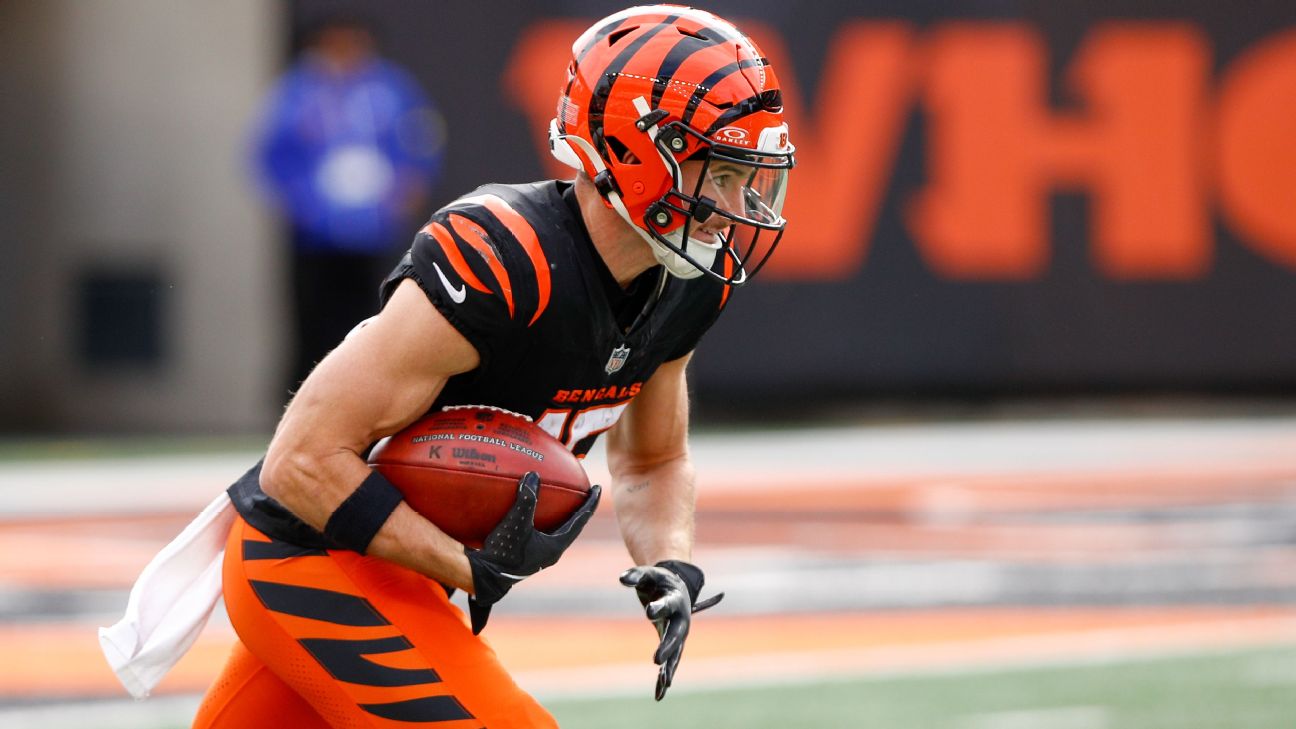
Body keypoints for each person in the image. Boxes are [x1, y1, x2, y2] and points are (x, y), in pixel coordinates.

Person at [196, 5, 794, 726]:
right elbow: (299, 460)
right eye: (720, 172)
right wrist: (468, 566)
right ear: (637, 152)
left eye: (745, 177)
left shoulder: (689, 283)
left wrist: (670, 560)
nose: (733, 206)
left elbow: (653, 458)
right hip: (310, 557)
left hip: (402, 573)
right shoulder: (504, 259)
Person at [252, 12, 445, 395]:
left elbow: (421, 140)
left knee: (373, 319)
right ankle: (302, 402)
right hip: (315, 236)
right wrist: (301, 205)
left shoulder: (391, 88)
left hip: (374, 232)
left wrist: (408, 189)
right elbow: (270, 155)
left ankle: (365, 399)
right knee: (311, 322)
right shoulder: (297, 92)